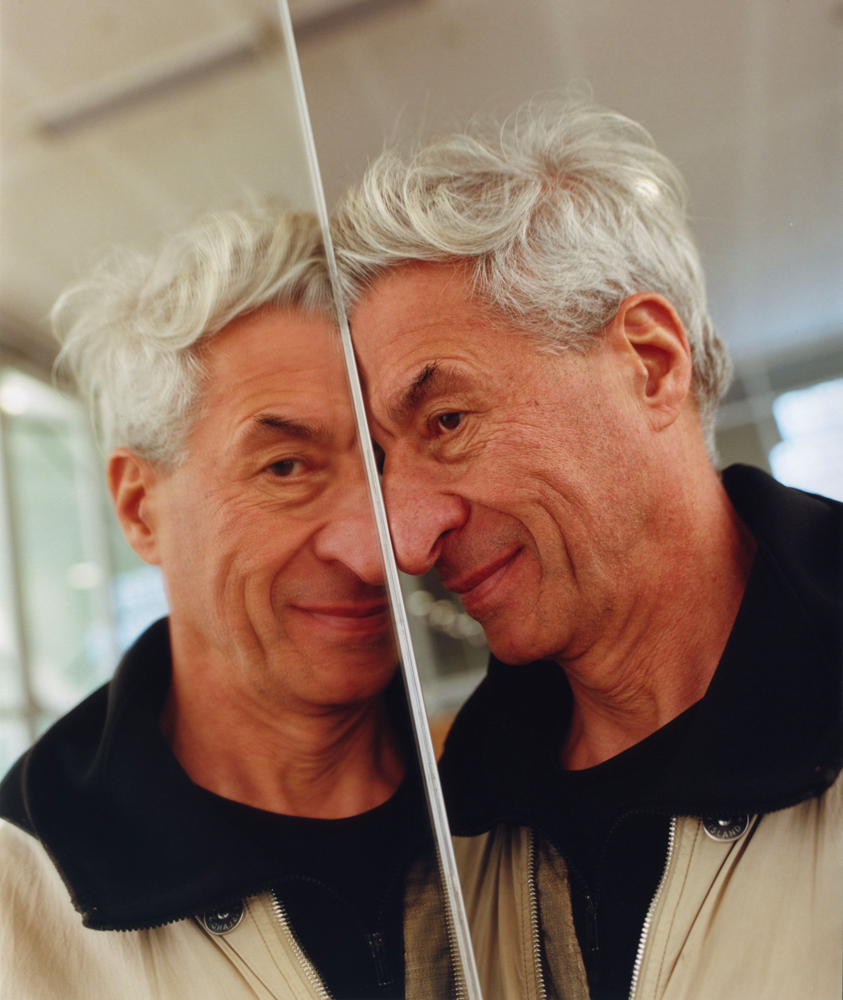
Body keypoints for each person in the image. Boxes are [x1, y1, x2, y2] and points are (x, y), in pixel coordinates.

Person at [332, 101, 843, 1000]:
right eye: (381, 464)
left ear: (647, 362)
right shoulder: (450, 838)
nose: (408, 541)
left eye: (447, 420)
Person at [0, 209, 460, 1000]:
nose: (375, 546)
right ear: (140, 507)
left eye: (383, 462)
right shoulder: (26, 890)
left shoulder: (515, 800)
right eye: (286, 467)